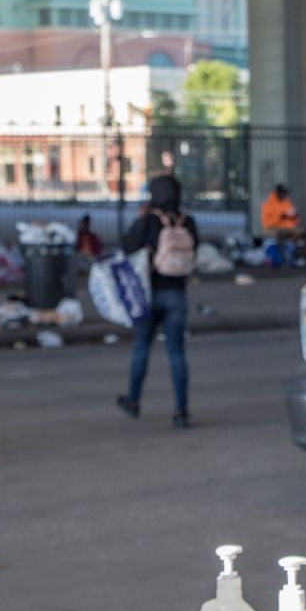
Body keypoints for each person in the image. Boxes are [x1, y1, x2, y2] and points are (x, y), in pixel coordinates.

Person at [117, 173, 197, 428]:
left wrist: (142, 219)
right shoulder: (188, 222)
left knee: (142, 347)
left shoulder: (149, 222)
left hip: (149, 294)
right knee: (176, 353)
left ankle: (133, 399)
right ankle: (181, 411)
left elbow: (127, 246)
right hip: (177, 293)